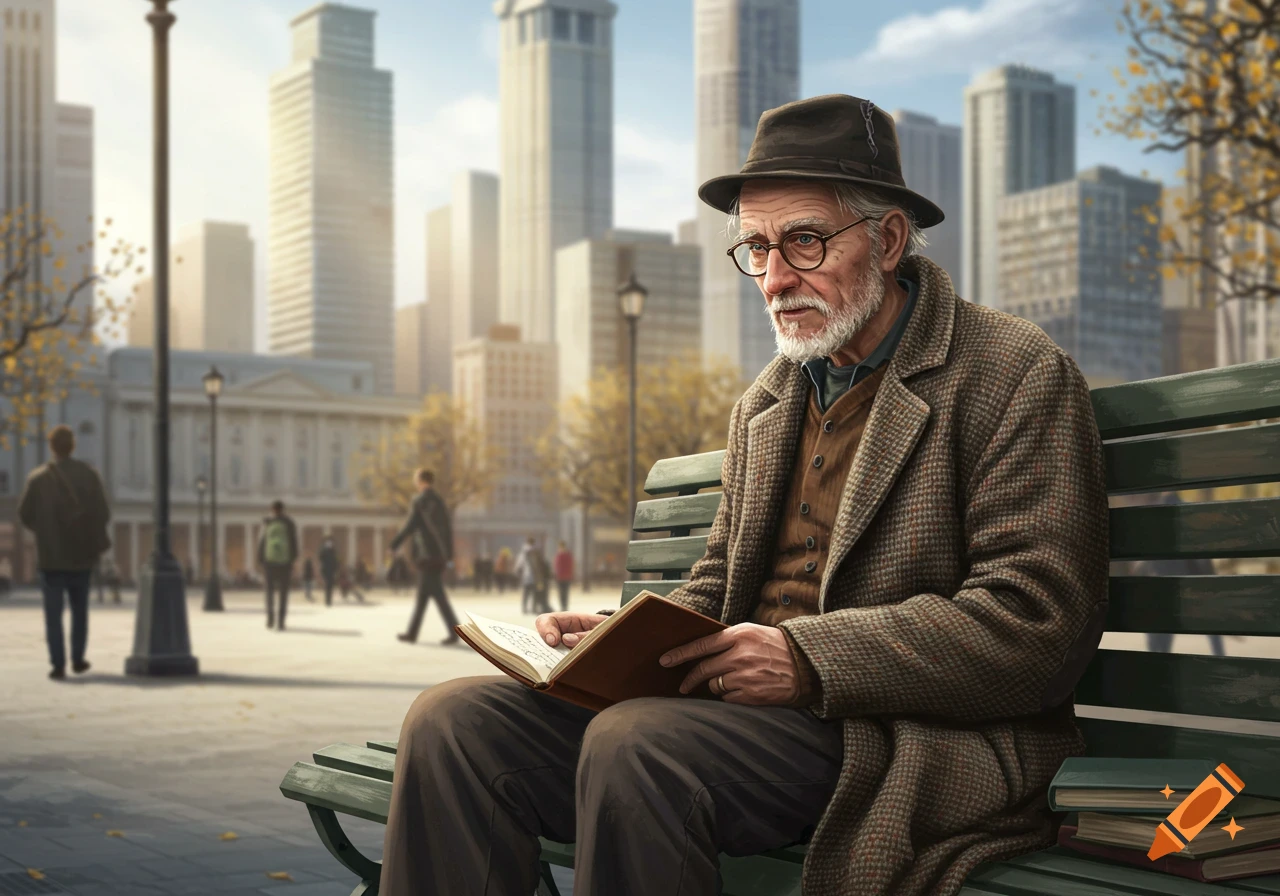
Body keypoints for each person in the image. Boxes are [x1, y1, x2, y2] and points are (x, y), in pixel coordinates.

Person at [377, 95, 1112, 896]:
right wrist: (615, 639)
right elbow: (717, 584)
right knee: (452, 723)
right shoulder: (766, 403)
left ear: (889, 238)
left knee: (637, 745)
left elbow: (1035, 621)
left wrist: (807, 659)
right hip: (728, 716)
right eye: (755, 248)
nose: (773, 278)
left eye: (802, 241)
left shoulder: (1011, 371)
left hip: (891, 731)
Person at [19, 424, 112, 680]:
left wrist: (44, 531)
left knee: (53, 615)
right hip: (82, 557)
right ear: (73, 446)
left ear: (51, 447)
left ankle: (58, 664)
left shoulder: (37, 479)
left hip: (50, 558)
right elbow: (104, 513)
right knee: (80, 612)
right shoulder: (89, 475)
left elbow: (24, 514)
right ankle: (78, 658)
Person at [390, 469, 459, 645]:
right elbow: (447, 530)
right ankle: (415, 633)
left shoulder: (419, 501)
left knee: (433, 596)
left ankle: (448, 632)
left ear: (420, 481)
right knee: (430, 595)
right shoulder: (438, 501)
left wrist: (395, 543)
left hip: (425, 555)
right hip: (438, 556)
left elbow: (410, 525)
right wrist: (449, 554)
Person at [257, 500, 299, 631]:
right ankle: (281, 621)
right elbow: (294, 542)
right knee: (283, 593)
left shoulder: (267, 522)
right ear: (283, 509)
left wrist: (260, 559)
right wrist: (292, 559)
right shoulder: (289, 523)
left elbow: (261, 541)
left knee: (269, 592)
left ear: (272, 509)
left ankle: (270, 619)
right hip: (285, 562)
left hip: (269, 562)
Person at [514, 536, 539, 614]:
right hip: (534, 575)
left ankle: (524, 608)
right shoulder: (535, 551)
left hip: (526, 575)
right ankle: (533, 608)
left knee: (526, 593)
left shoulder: (524, 551)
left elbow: (520, 562)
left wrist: (516, 570)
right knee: (534, 593)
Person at [553, 541, 573, 612]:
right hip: (566, 576)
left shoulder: (559, 555)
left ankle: (563, 606)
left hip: (561, 577)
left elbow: (556, 566)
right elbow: (571, 565)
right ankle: (564, 606)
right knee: (565, 592)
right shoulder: (568, 555)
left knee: (562, 592)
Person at [319, 537, 338, 606]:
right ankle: (327, 600)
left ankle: (329, 600)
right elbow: (320, 558)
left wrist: (336, 570)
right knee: (327, 585)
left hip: (332, 571)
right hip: (326, 570)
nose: (330, 544)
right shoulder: (323, 551)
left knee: (330, 586)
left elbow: (335, 561)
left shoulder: (333, 551)